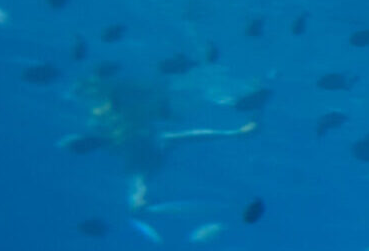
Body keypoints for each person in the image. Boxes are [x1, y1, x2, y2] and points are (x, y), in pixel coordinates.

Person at [62, 74, 258, 211]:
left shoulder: (112, 104)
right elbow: (106, 142)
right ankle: (138, 200)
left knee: (168, 149)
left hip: (146, 143)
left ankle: (235, 133)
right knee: (144, 172)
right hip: (138, 148)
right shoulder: (99, 117)